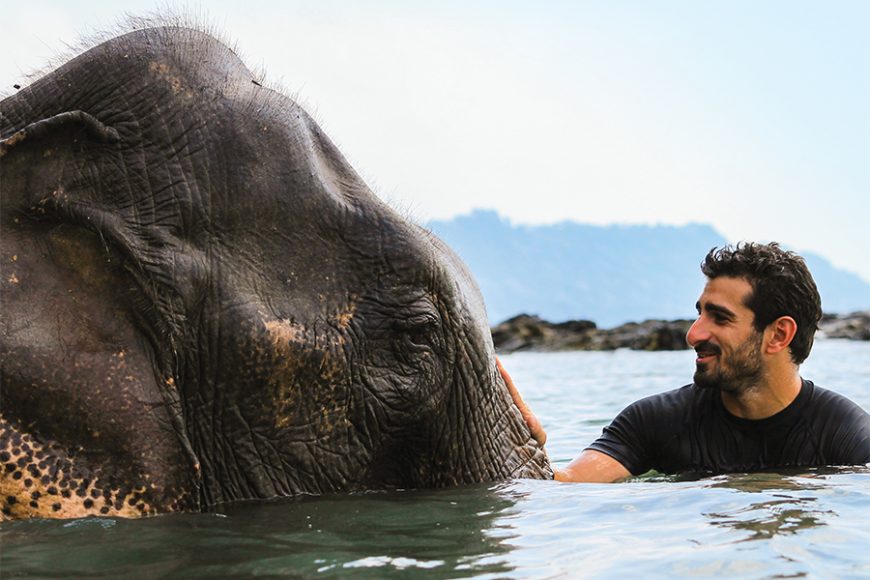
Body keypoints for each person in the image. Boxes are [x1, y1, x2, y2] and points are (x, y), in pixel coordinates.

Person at [500, 242, 870, 482]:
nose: (694, 334)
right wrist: (526, 449)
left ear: (778, 335)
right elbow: (565, 489)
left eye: (719, 318)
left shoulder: (847, 438)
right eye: (699, 314)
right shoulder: (653, 422)